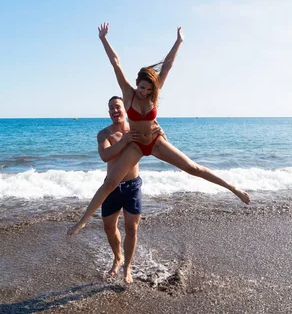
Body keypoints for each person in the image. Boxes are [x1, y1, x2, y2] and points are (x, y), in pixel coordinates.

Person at [68, 23, 250, 238]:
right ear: (137, 84)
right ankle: (82, 222)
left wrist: (179, 41)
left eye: (149, 89)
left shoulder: (154, 92)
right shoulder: (128, 93)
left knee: (192, 167)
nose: (144, 92)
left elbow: (167, 66)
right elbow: (115, 63)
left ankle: (233, 189)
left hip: (154, 141)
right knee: (110, 182)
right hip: (136, 144)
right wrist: (103, 39)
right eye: (142, 87)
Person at [97, 96, 160, 284]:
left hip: (132, 185)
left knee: (131, 228)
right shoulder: (104, 134)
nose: (114, 110)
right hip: (112, 186)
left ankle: (127, 267)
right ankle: (118, 257)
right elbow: (105, 156)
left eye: (117, 106)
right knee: (109, 227)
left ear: (125, 108)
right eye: (110, 108)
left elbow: (156, 141)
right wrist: (124, 140)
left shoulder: (136, 129)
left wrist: (158, 131)